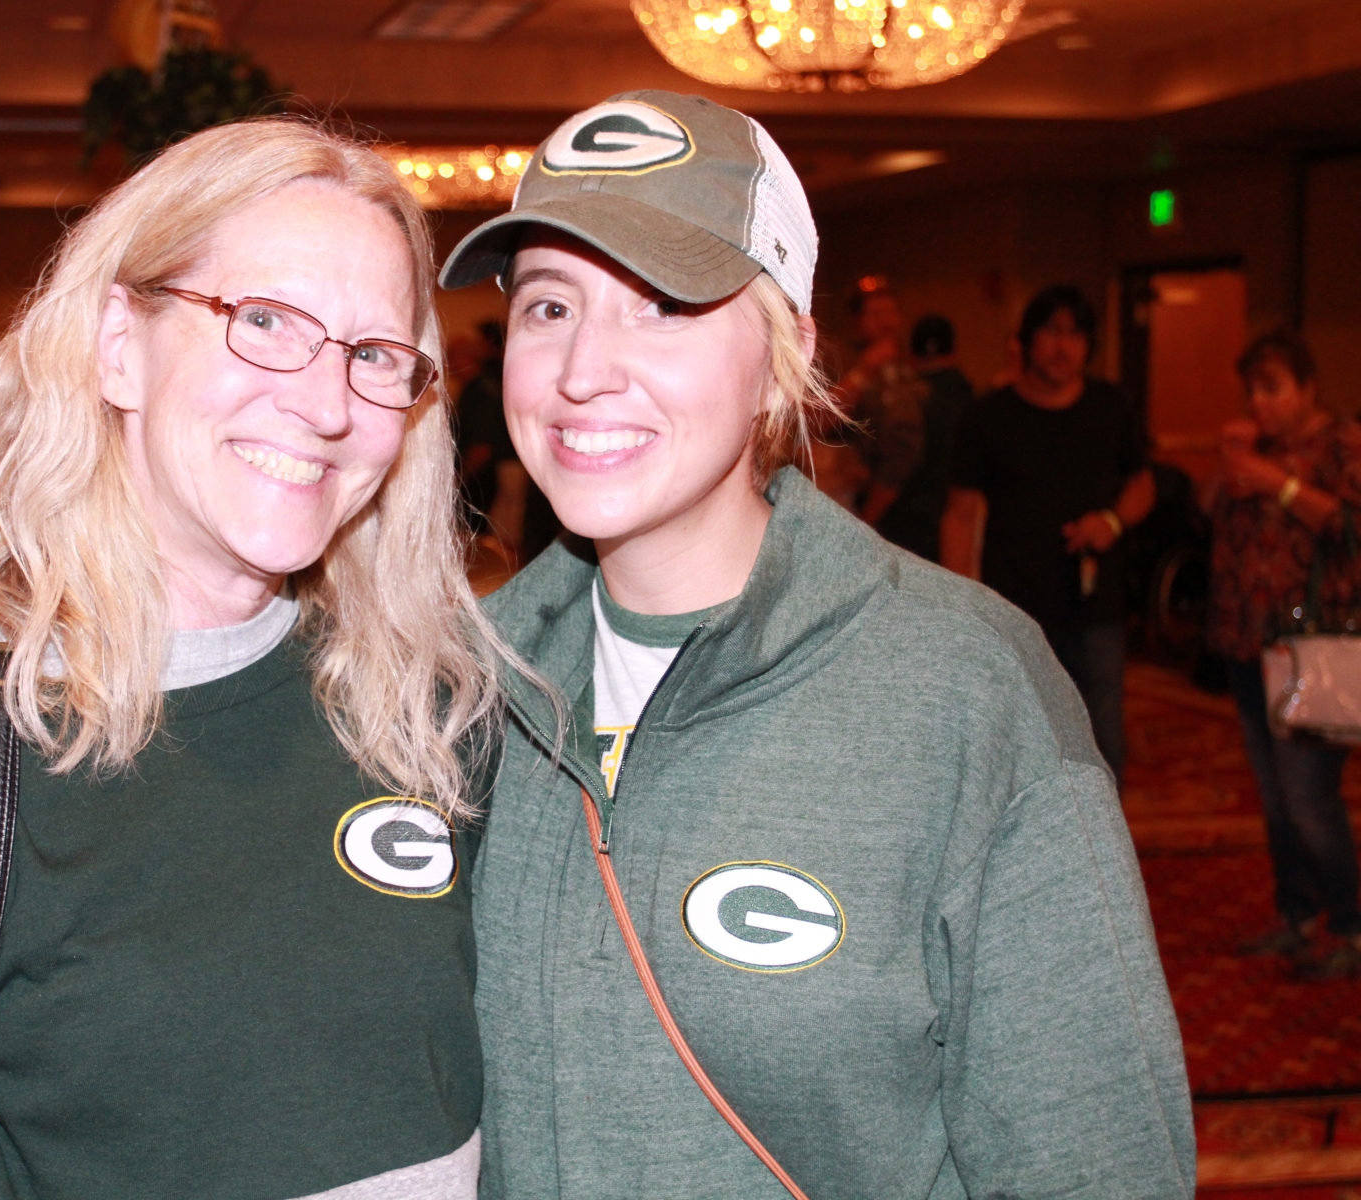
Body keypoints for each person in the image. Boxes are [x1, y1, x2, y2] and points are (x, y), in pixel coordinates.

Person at [0, 119, 511, 1200]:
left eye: (372, 355)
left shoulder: (428, 709)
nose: (326, 406)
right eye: (264, 321)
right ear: (118, 346)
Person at [439, 91, 1192, 1197]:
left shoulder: (966, 689)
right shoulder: (460, 681)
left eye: (663, 306)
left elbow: (1095, 1163)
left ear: (784, 352)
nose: (583, 368)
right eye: (550, 305)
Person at [942, 286, 1154, 782]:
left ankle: (1100, 832)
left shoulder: (1110, 406)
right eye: (1052, 332)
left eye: (1076, 335)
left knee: (1103, 741)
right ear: (1027, 341)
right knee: (1018, 741)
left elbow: (1142, 484)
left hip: (1094, 606)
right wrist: (959, 606)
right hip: (1016, 606)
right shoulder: (989, 417)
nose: (1064, 346)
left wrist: (1112, 522)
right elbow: (960, 514)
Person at [1206, 329, 1361, 979]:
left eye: (1272, 388)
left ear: (1308, 388)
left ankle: (1350, 925)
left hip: (1313, 649)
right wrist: (1231, 469)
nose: (1258, 402)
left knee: (1307, 797)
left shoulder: (1344, 443)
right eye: (1252, 390)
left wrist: (1281, 486)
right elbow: (1209, 515)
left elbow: (1351, 526)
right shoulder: (1257, 449)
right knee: (1274, 797)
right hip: (1252, 644)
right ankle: (1295, 916)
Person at [871, 313, 973, 561]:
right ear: (954, 352)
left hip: (908, 533)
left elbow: (896, 469)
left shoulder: (911, 399)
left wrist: (865, 521)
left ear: (911, 355)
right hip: (959, 533)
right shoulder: (973, 398)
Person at [832, 280, 927, 534]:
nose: (886, 322)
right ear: (857, 320)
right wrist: (865, 371)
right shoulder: (838, 358)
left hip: (912, 500)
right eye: (876, 314)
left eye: (890, 312)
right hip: (853, 495)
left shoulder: (911, 362)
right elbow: (819, 420)